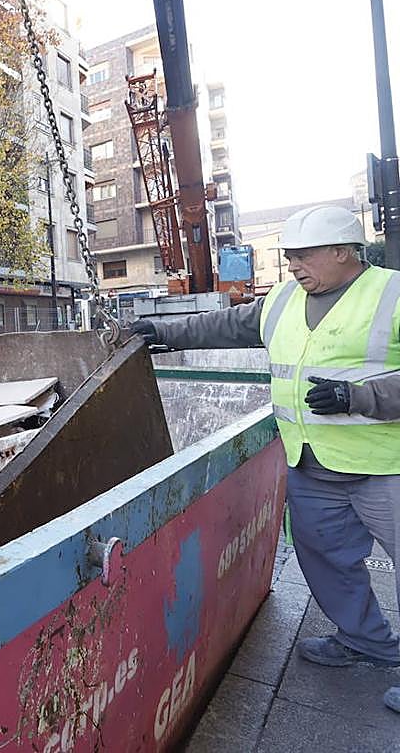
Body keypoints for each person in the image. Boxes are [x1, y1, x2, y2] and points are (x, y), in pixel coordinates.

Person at [130, 204, 400, 712]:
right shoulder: (284, 299)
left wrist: (360, 397)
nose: (294, 265)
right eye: (290, 256)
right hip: (312, 463)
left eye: (304, 256)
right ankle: (366, 640)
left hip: (386, 464)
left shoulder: (393, 292)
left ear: (343, 252)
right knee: (324, 558)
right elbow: (227, 325)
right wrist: (160, 333)